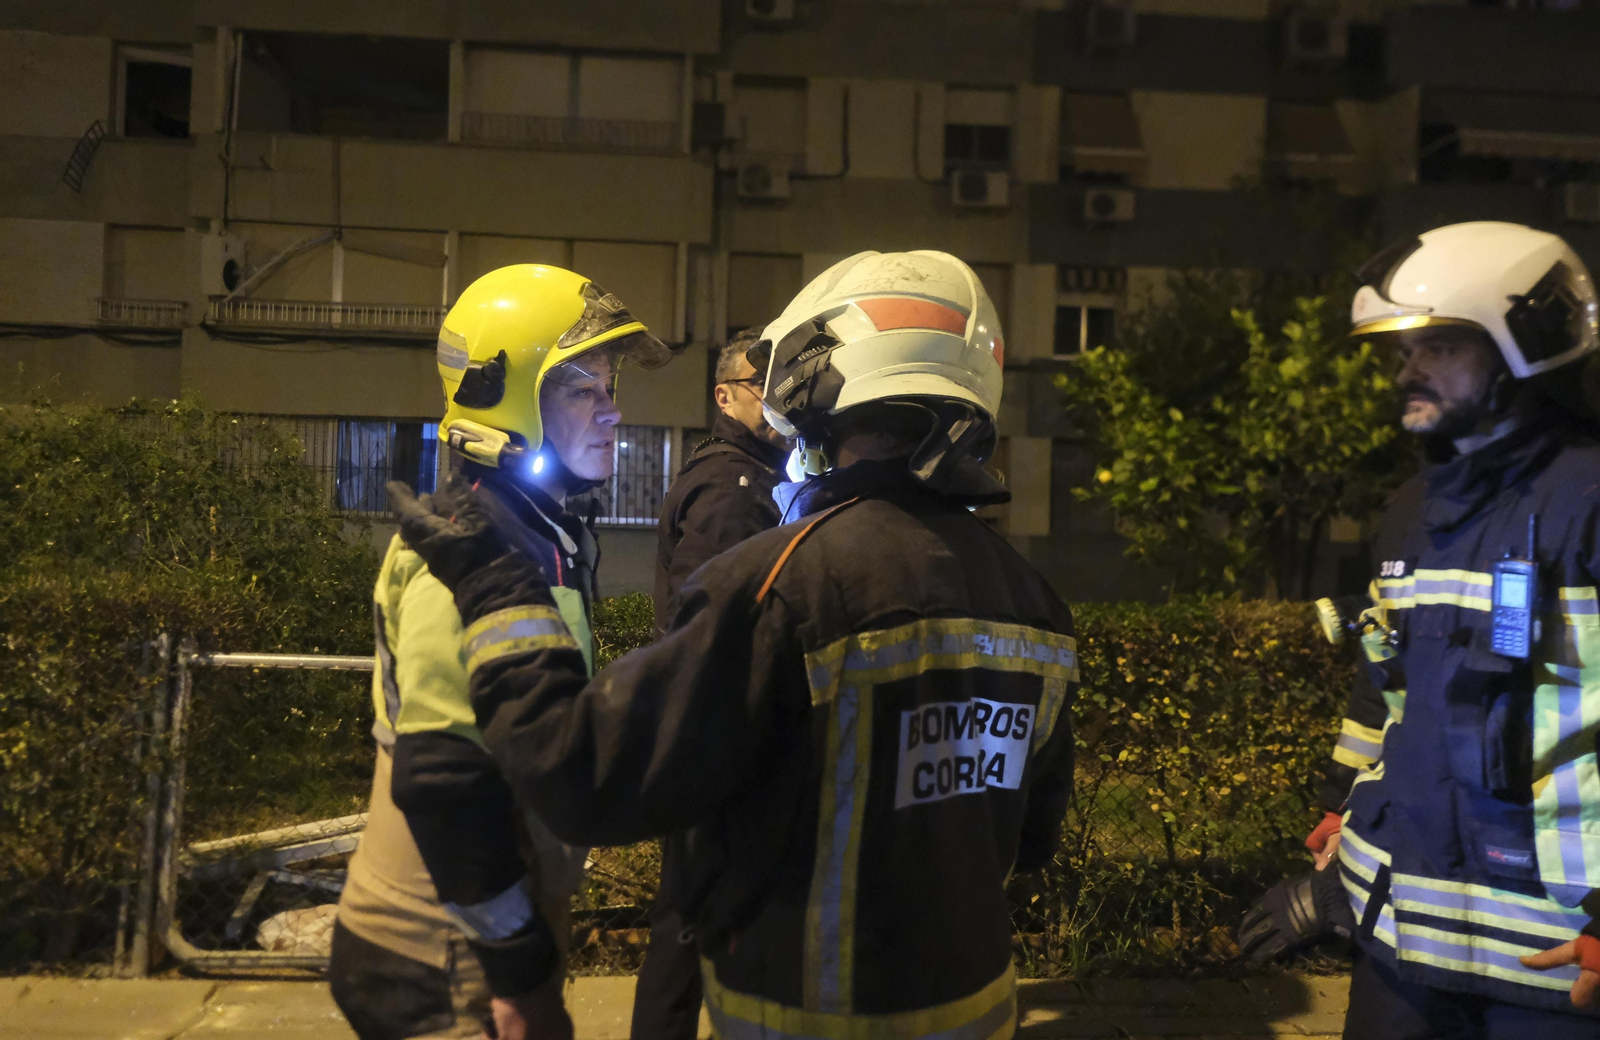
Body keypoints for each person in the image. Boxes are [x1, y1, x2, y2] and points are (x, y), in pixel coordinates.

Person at [390, 250, 1078, 1040]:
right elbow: (1032, 839)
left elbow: (579, 777)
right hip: (979, 1012)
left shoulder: (779, 585)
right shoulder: (1036, 604)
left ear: (817, 392)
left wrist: (490, 587)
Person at [1240, 222, 1600, 1037]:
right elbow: (1388, 686)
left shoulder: (1587, 503)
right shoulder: (1414, 509)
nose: (1408, 369)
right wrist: (1343, 822)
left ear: (1528, 344)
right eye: (1405, 351)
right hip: (1403, 959)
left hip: (1559, 971)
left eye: (1439, 345)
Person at [329, 265, 669, 1040]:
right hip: (442, 955)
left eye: (611, 388)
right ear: (505, 394)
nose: (614, 413)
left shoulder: (532, 529)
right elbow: (444, 781)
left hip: (470, 936)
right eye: (585, 389)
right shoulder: (465, 543)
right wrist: (520, 975)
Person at [634, 328, 789, 1040]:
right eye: (765, 386)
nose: (778, 400)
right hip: (713, 730)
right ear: (727, 395)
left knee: (690, 911)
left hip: (703, 726)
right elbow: (715, 624)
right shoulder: (733, 487)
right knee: (692, 915)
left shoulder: (745, 475)